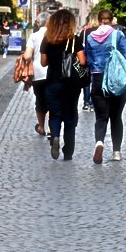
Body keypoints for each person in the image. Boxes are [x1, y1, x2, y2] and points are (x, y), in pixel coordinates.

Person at [83, 9, 126, 164]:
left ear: (98, 21)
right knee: (116, 117)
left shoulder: (90, 36)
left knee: (101, 117)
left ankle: (99, 143)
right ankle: (116, 152)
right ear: (112, 20)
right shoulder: (118, 35)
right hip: (115, 79)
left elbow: (88, 60)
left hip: (97, 79)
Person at [39, 9, 86, 161]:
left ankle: (55, 137)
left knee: (54, 114)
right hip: (71, 83)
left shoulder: (47, 39)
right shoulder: (75, 40)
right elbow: (83, 61)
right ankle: (68, 151)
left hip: (52, 82)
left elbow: (43, 62)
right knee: (70, 115)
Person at [23, 12, 50, 138]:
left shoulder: (33, 36)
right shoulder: (53, 35)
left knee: (40, 100)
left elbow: (27, 56)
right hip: (52, 73)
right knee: (52, 99)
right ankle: (51, 127)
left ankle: (41, 127)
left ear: (38, 23)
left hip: (38, 73)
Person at [78, 15, 99, 112]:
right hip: (96, 58)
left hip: (86, 58)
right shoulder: (100, 32)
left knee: (86, 81)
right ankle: (93, 102)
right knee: (95, 80)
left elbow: (80, 45)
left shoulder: (85, 31)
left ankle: (86, 102)